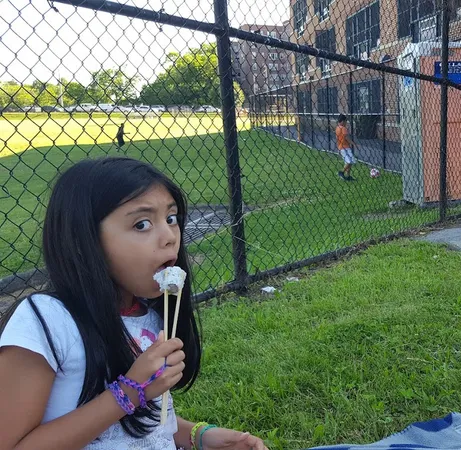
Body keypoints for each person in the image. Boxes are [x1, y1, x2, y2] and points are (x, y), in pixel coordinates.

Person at [0, 157, 267, 450]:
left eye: (172, 219)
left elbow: (144, 427)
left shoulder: (149, 316)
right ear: (83, 240)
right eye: (142, 224)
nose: (169, 237)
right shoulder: (46, 321)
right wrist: (128, 391)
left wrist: (199, 436)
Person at [335, 114, 356, 181]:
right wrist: (354, 144)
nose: (346, 123)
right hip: (345, 147)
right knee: (350, 161)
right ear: (343, 121)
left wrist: (338, 148)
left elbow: (337, 139)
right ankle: (341, 172)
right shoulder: (343, 128)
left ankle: (348, 176)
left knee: (349, 162)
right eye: (345, 121)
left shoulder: (337, 128)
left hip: (341, 147)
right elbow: (347, 138)